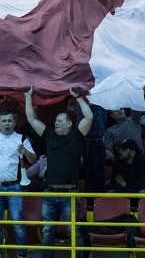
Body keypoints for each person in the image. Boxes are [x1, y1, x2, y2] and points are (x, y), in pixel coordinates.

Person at [25, 87, 93, 258]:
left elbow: (89, 117)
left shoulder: (76, 136)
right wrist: (28, 97)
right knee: (48, 232)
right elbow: (31, 119)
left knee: (74, 232)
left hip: (70, 193)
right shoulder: (49, 136)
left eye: (60, 120)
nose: (55, 122)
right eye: (55, 120)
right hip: (49, 193)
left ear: (69, 123)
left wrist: (77, 97)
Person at [0, 91, 36, 258]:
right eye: (4, 121)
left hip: (14, 186)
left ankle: (22, 254)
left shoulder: (22, 138)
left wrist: (25, 151)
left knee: (18, 223)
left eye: (10, 120)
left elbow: (33, 160)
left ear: (15, 122)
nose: (7, 123)